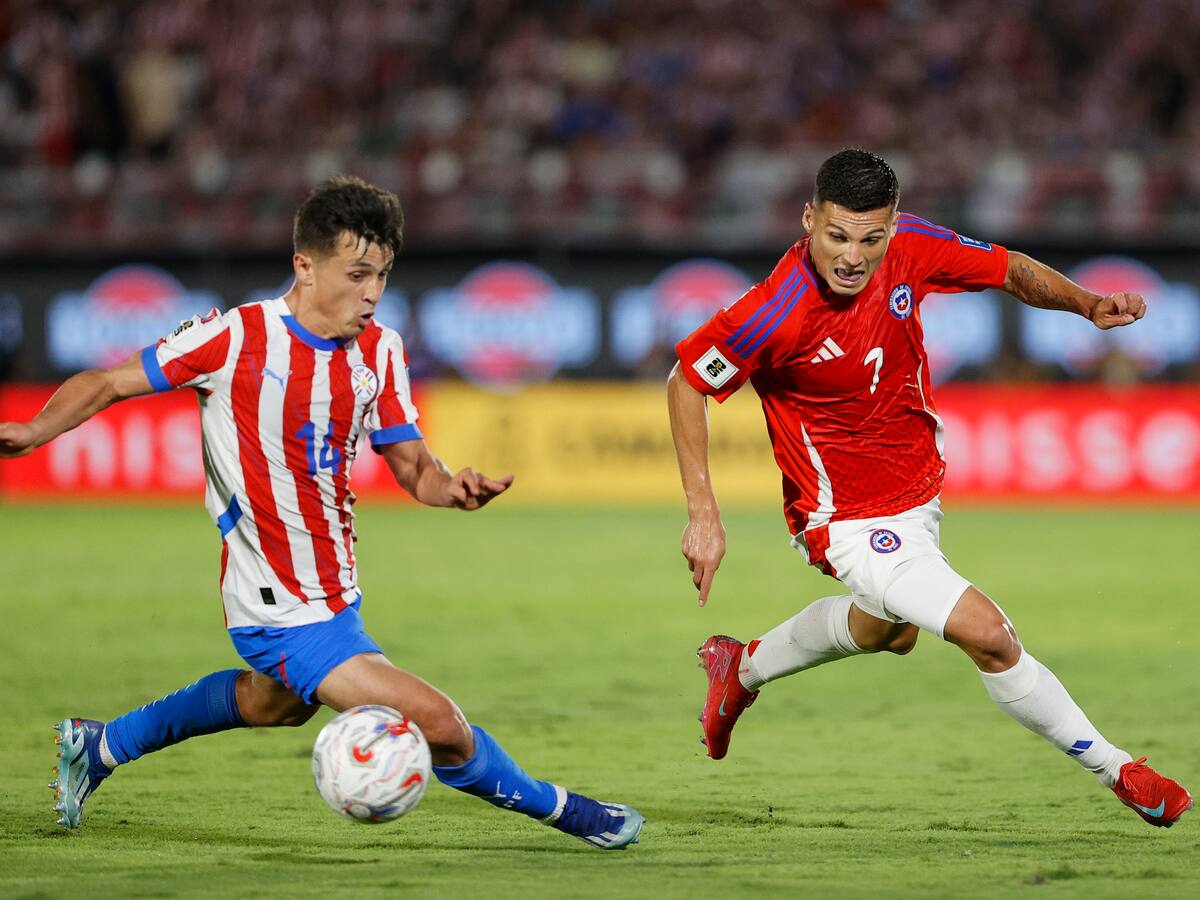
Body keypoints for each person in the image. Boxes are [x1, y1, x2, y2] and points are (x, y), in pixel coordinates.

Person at [0, 175, 643, 848]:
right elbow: (108, 380)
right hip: (275, 603)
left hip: (335, 592)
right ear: (304, 266)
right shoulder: (234, 339)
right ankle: (568, 812)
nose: (371, 292)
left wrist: (450, 487)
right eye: (357, 273)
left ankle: (98, 747)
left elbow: (412, 467)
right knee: (442, 725)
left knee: (269, 705)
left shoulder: (382, 353)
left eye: (383, 276)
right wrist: (33, 432)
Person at [667, 149, 1191, 828]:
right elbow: (687, 383)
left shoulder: (912, 245)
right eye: (836, 236)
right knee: (990, 634)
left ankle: (739, 669)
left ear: (891, 227)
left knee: (887, 632)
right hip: (843, 519)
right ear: (809, 220)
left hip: (917, 493)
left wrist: (1086, 305)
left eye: (870, 238)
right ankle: (1120, 770)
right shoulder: (775, 309)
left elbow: (1011, 271)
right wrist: (704, 514)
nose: (853, 256)